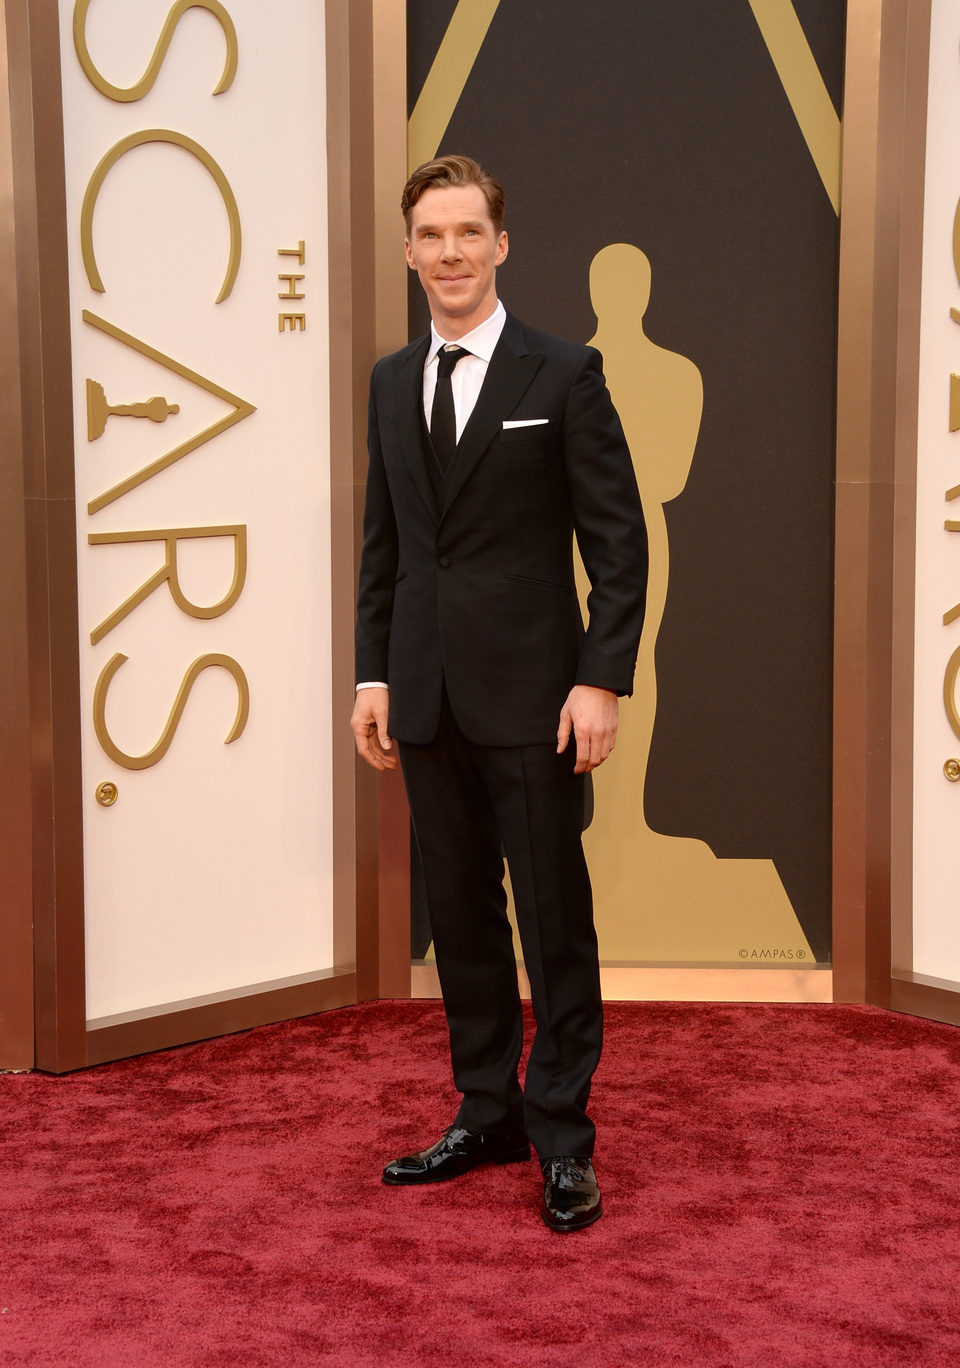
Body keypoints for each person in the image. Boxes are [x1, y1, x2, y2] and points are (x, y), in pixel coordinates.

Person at [351, 155, 648, 1231]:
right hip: (424, 698)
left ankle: (563, 1136)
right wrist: (373, 673)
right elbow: (383, 546)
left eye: (468, 233)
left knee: (553, 920)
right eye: (430, 235)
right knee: (461, 921)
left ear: (502, 244)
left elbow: (620, 544)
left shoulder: (563, 372)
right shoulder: (391, 381)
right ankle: (487, 1111)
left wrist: (599, 680)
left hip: (535, 697)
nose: (449, 254)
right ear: (407, 250)